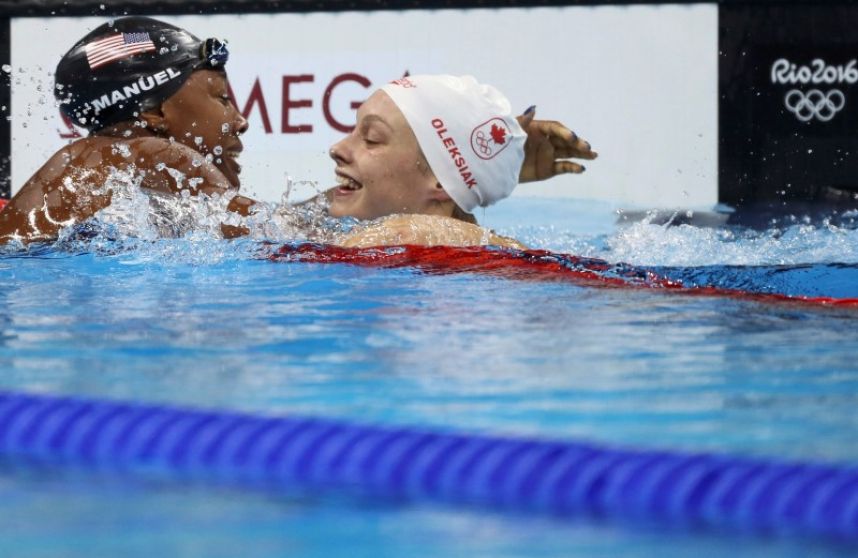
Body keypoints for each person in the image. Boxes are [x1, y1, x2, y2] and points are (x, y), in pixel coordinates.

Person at [0, 16, 595, 247]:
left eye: (372, 135)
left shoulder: (137, 186)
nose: (239, 118)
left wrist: (479, 161)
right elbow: (281, 229)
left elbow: (273, 223)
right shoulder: (124, 158)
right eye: (219, 97)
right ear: (153, 114)